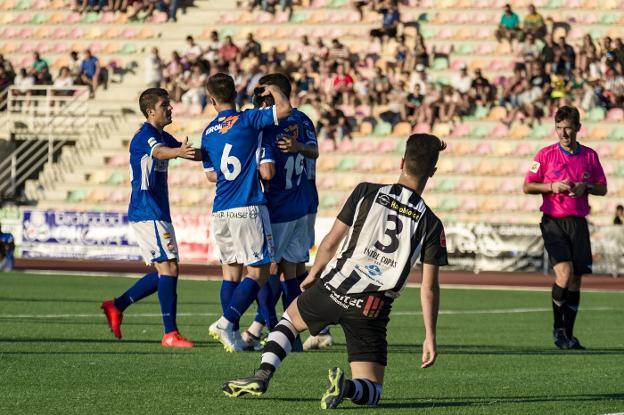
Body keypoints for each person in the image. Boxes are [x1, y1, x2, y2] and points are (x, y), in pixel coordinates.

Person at [223, 133, 448, 410]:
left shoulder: (366, 191)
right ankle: (348, 387)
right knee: (373, 390)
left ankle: (263, 373)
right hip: (372, 308)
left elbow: (331, 241)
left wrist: (314, 273)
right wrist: (430, 336)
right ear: (433, 173)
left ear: (402, 161)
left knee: (290, 321)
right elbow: (429, 288)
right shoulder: (431, 224)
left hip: (335, 287)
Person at [101, 88, 200, 348]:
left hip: (157, 211)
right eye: (164, 104)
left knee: (165, 271)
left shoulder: (162, 135)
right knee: (169, 268)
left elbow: (183, 150)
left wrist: (213, 152)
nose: (170, 108)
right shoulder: (145, 136)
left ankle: (117, 305)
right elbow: (159, 153)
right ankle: (170, 333)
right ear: (150, 111)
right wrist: (176, 152)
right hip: (147, 210)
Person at [200, 73, 292, 352]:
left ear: (211, 99)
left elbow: (212, 176)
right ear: (235, 95)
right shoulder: (248, 120)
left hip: (221, 209)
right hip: (248, 206)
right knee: (260, 271)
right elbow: (285, 109)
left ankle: (234, 335)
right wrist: (274, 88)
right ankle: (227, 322)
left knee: (231, 274)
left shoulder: (207, 132)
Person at [523, 106, 607, 350]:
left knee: (576, 280)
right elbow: (527, 187)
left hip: (578, 222)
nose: (563, 133)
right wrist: (551, 187)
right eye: (559, 128)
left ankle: (568, 335)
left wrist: (585, 187)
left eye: (568, 127)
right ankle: (558, 329)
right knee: (565, 273)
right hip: (553, 221)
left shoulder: (589, 156)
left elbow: (603, 188)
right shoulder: (545, 155)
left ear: (578, 128)